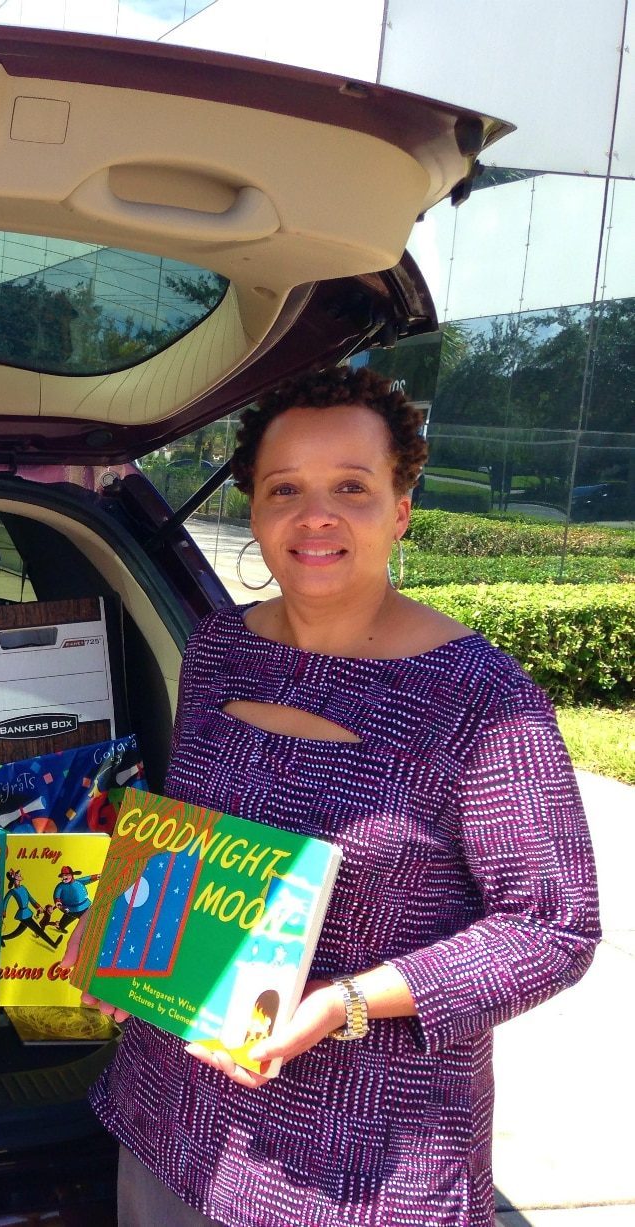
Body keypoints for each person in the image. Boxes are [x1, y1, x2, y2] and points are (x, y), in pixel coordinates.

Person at [85, 365, 601, 1227]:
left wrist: (345, 1001)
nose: (315, 514)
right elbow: (191, 836)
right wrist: (130, 947)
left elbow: (554, 927)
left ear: (400, 507)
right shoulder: (219, 648)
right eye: (286, 487)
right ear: (253, 506)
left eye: (351, 488)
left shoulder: (480, 695)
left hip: (362, 1164)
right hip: (173, 1115)